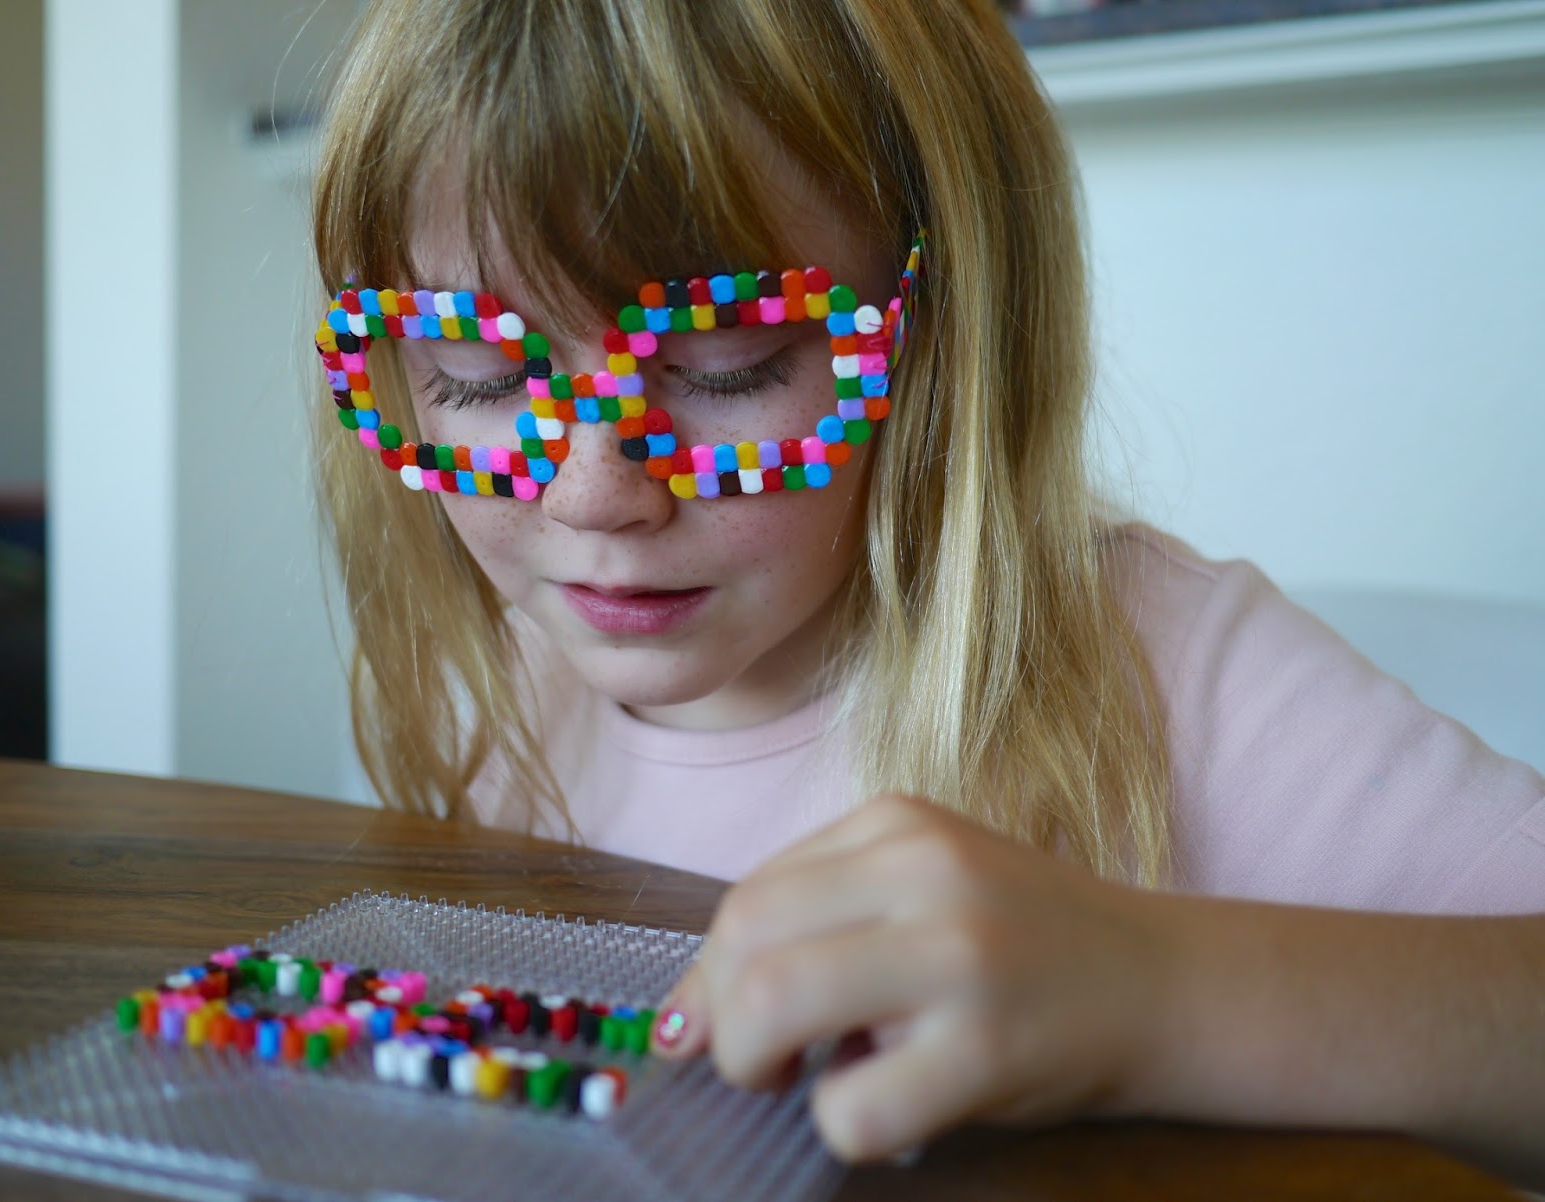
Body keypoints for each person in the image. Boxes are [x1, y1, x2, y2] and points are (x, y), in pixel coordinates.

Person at [306, 0, 1545, 1184]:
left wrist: (1161, 988)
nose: (590, 494)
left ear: (942, 333)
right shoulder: (479, 688)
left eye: (727, 368)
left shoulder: (1164, 669)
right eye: (472, 377)